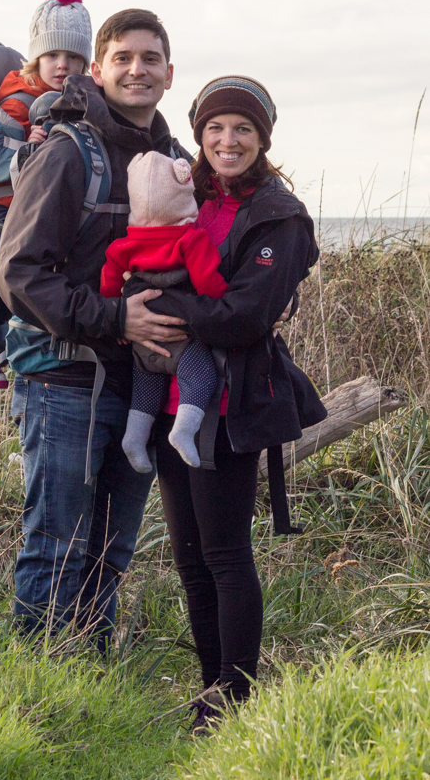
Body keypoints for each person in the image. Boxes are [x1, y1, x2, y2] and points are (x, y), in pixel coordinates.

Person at [123, 75, 326, 730]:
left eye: (242, 129)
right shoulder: (194, 194)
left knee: (226, 554)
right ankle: (211, 690)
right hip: (168, 406)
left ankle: (235, 700)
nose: (227, 140)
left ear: (263, 137)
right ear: (200, 136)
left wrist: (161, 306)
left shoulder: (278, 214)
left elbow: (244, 315)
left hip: (227, 405)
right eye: (214, 129)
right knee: (189, 558)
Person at [0, 9, 190, 646]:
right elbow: (20, 274)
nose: (138, 69)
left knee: (112, 547)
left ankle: (88, 681)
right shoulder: (66, 152)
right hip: (63, 377)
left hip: (140, 384)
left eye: (151, 59)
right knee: (57, 545)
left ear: (168, 74)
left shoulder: (175, 159)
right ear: (99, 69)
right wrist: (115, 317)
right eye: (124, 58)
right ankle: (37, 695)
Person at [0, 0, 92, 389]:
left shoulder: (71, 96)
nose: (62, 64)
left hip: (35, 206)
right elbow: (9, 138)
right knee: (2, 271)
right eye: (52, 55)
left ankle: (9, 343)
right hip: (4, 204)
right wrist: (27, 139)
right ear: (36, 58)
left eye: (73, 57)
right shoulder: (19, 96)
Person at [100, 151, 227, 471]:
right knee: (201, 376)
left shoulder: (123, 245)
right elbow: (207, 282)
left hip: (140, 339)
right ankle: (183, 432)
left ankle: (134, 438)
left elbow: (108, 286)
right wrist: (225, 301)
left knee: (146, 389)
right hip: (180, 340)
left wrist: (116, 321)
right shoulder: (190, 239)